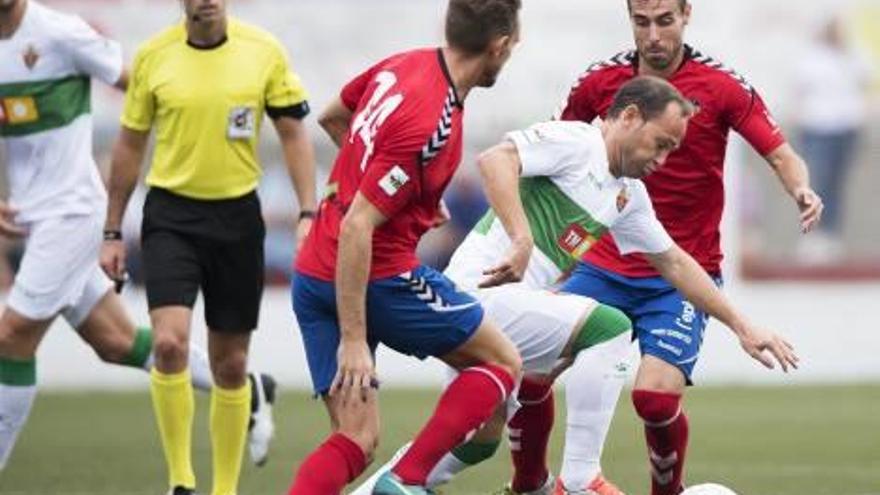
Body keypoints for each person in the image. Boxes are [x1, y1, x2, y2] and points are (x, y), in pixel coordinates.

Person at [350, 76, 798, 495]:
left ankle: (377, 490)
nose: (662, 160)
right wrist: (521, 236)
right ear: (628, 117)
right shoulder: (576, 141)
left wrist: (742, 325)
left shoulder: (626, 195)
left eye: (672, 151)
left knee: (480, 438)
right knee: (611, 328)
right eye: (660, 144)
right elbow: (495, 160)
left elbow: (675, 263)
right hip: (475, 295)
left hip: (503, 313)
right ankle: (581, 479)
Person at [503, 1, 823, 494]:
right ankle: (529, 486)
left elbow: (780, 154)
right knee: (530, 373)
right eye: (641, 22)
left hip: (681, 272)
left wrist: (800, 189)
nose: (653, 35)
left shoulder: (722, 86)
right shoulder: (599, 82)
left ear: (686, 15)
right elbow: (554, 149)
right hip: (604, 263)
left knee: (654, 398)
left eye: (664, 21)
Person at [287, 1, 523, 493]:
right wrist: (355, 340)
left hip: (313, 273)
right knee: (501, 362)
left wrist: (408, 199)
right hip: (371, 275)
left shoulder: (400, 65)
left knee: (356, 437)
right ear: (499, 46)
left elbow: (333, 118)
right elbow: (358, 229)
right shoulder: (431, 119)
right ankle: (407, 480)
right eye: (513, 47)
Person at [0, 0, 239, 473]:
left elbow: (143, 89)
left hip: (73, 212)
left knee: (11, 338)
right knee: (115, 341)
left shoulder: (61, 33)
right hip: (31, 215)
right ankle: (247, 382)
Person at [99, 0, 317, 493]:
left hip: (237, 218)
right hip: (171, 215)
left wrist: (309, 212)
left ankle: (223, 488)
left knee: (232, 364)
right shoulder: (155, 56)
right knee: (170, 342)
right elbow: (130, 144)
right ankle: (180, 479)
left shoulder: (263, 51)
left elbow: (293, 134)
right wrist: (112, 230)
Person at [793, 15, 871, 263]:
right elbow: (800, 89)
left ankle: (832, 236)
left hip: (846, 126)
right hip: (818, 127)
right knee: (818, 182)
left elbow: (865, 78)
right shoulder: (811, 57)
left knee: (837, 183)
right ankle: (813, 236)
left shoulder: (853, 54)